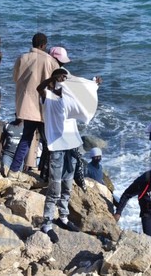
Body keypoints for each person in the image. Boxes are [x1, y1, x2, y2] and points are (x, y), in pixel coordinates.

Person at [37, 68, 98, 243]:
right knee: (54, 188)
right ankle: (46, 223)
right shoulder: (48, 97)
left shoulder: (70, 99)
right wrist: (51, 78)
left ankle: (63, 217)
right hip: (56, 148)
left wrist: (94, 85)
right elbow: (38, 89)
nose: (64, 80)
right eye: (62, 77)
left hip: (72, 147)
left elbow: (86, 97)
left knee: (67, 187)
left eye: (65, 77)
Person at [8, 33, 59, 176]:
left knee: (26, 138)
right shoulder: (50, 61)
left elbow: (15, 78)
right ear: (44, 45)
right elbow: (56, 84)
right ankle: (48, 173)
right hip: (44, 106)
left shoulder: (22, 58)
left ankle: (13, 170)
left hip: (27, 106)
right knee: (49, 142)